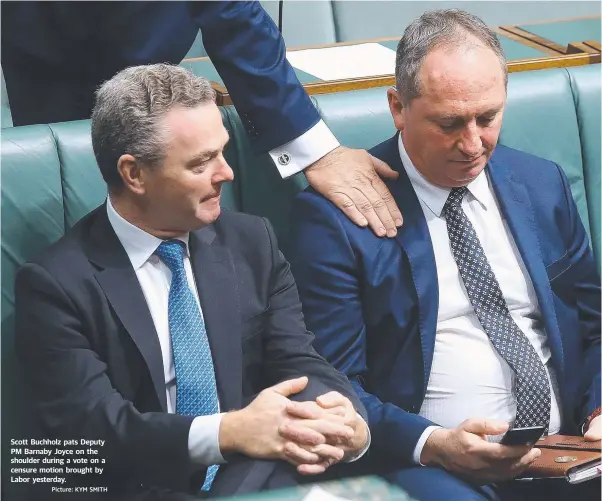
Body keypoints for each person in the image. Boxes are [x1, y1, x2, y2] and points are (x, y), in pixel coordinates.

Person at [14, 64, 370, 501]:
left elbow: (297, 359)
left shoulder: (251, 242)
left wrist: (341, 414)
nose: (227, 173)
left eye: (222, 152)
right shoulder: (56, 284)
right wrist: (227, 433)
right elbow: (90, 436)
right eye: (202, 162)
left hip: (254, 481)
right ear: (134, 174)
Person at [287, 9, 601, 501]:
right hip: (436, 468)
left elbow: (594, 322)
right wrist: (432, 444)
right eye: (450, 123)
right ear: (398, 107)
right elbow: (333, 384)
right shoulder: (336, 219)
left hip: (569, 452)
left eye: (488, 117)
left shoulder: (541, 185)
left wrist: (600, 412)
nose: (473, 144)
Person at [1, 0, 402, 239]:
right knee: (70, 227)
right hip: (47, 60)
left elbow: (238, 22)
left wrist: (317, 152)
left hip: (145, 56)